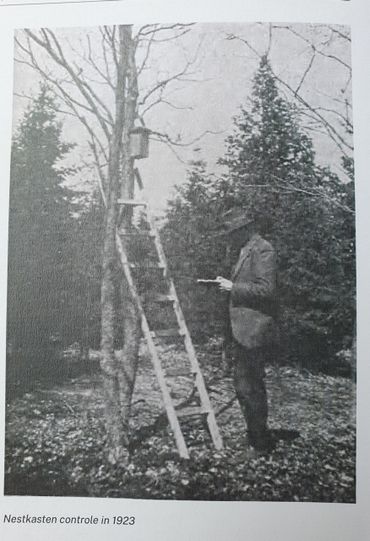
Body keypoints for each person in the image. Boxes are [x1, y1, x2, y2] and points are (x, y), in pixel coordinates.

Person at [216, 209, 278, 455]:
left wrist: (233, 287)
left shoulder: (263, 249)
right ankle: (255, 437)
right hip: (242, 329)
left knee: (250, 386)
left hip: (254, 330)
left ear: (243, 230)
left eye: (232, 232)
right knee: (244, 385)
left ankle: (260, 444)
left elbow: (267, 290)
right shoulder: (245, 249)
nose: (230, 238)